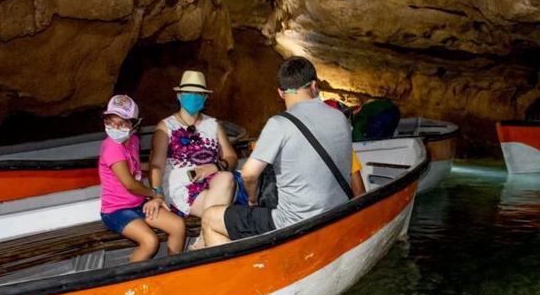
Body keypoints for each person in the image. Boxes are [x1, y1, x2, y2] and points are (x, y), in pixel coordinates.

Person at [200, 57, 352, 246]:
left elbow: (248, 174)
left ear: (280, 93)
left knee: (210, 218)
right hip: (339, 214)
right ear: (314, 86)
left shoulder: (279, 124)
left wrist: (253, 199)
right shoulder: (340, 119)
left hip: (294, 223)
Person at [99, 95, 186, 262]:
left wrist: (163, 166)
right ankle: (128, 281)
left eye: (123, 123)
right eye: (111, 122)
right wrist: (154, 194)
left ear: (135, 125)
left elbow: (136, 168)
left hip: (138, 204)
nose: (115, 128)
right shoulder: (112, 148)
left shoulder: (132, 141)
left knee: (177, 225)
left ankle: (175, 267)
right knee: (149, 241)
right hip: (116, 211)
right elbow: (130, 185)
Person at [149, 71, 242, 224]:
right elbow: (156, 165)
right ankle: (205, 238)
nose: (193, 96)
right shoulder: (166, 126)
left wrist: (214, 167)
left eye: (198, 93)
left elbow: (231, 158)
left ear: (205, 97)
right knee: (220, 216)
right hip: (180, 186)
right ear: (179, 95)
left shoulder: (214, 124)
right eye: (188, 92)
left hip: (212, 183)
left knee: (227, 177)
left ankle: (204, 238)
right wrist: (157, 194)